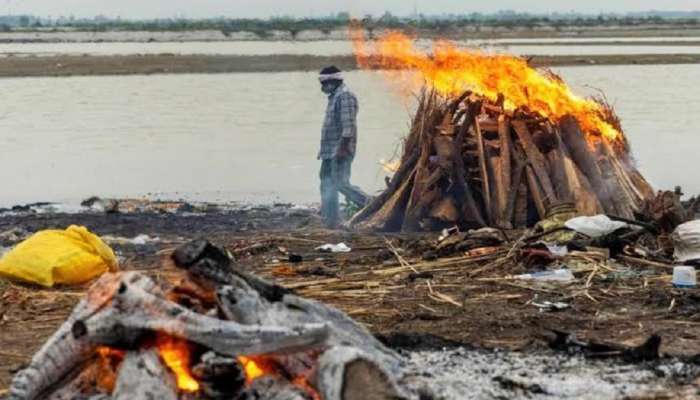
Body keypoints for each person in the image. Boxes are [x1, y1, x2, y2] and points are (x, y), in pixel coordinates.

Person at [317, 66, 368, 229]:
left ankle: (371, 205)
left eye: (324, 82)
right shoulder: (334, 97)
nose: (322, 87)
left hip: (340, 149)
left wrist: (343, 148)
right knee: (326, 182)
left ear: (334, 81)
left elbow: (349, 126)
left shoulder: (345, 96)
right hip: (328, 150)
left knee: (340, 183)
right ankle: (330, 219)